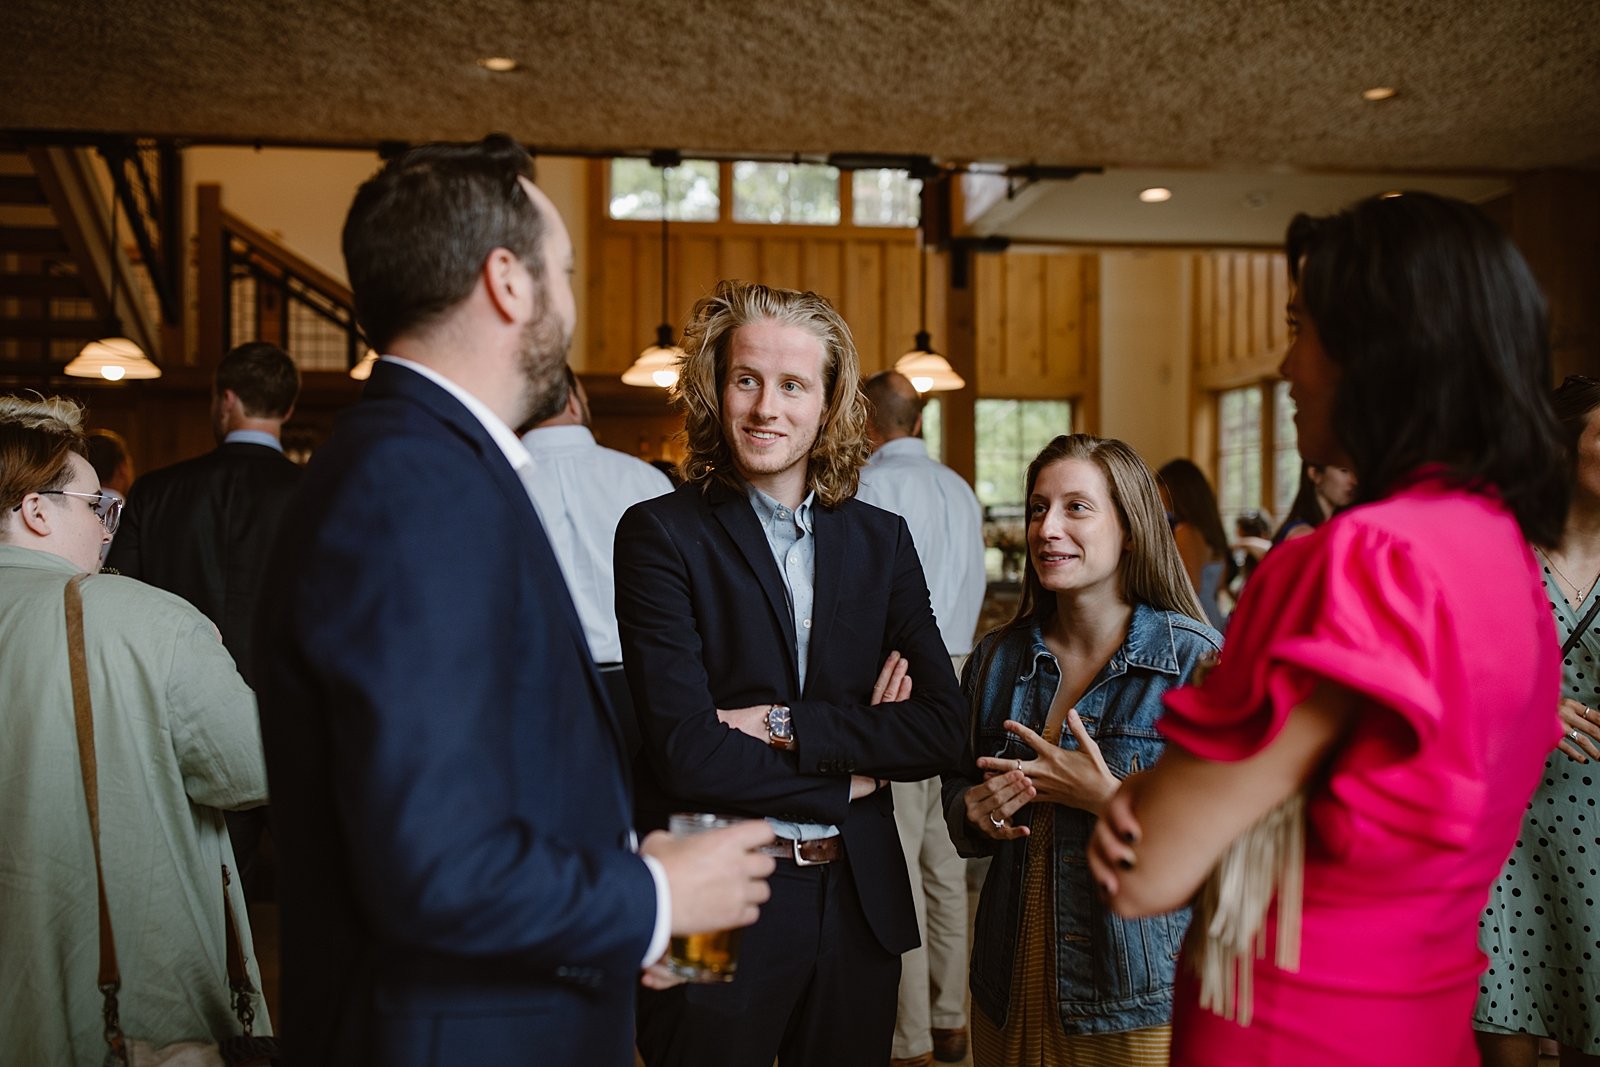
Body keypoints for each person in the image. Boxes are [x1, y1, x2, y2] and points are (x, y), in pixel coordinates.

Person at [254, 136, 775, 1067]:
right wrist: (652, 896)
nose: (570, 304)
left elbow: (477, 775)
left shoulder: (430, 463)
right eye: (564, 272)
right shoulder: (413, 487)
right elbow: (432, 863)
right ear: (508, 281)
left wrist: (621, 908)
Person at [1088, 192, 1570, 1067]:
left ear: (1381, 353)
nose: (1286, 365)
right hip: (1424, 1028)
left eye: (1299, 327)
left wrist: (1137, 794)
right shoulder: (1507, 554)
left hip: (1293, 1030)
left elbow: (1144, 868)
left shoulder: (1357, 561)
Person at [616, 280, 968, 1067]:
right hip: (708, 894)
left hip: (858, 902)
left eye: (792, 385)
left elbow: (945, 726)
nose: (766, 408)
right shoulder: (658, 532)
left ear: (830, 400)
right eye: (747, 379)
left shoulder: (882, 540)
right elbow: (685, 750)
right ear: (716, 386)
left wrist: (785, 725)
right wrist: (852, 775)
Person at [0, 395, 270, 1064]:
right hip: (116, 1011)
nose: (108, 531)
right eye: (100, 508)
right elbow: (257, 765)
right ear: (36, 510)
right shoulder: (149, 619)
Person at [943, 433, 1220, 1066]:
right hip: (1007, 982)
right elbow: (958, 800)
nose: (1047, 529)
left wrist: (1108, 800)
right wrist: (976, 812)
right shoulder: (997, 660)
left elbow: (1237, 846)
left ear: (1130, 528)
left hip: (1135, 990)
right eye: (1039, 508)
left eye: (1076, 508)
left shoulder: (1195, 662)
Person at [107, 340, 303, 892]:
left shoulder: (157, 491)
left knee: (199, 901)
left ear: (226, 400)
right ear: (287, 409)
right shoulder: (318, 496)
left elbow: (117, 596)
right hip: (293, 722)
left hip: (180, 721)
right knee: (315, 903)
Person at [857, 369, 986, 1067]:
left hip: (901, 674)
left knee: (897, 847)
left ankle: (907, 1035)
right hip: (963, 674)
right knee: (944, 852)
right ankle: (949, 1016)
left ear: (869, 422)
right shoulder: (959, 489)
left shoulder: (874, 487)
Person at [1475, 374, 1600, 1067]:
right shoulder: (1497, 555)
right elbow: (1442, 682)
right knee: (1505, 1041)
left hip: (1598, 835)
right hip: (1504, 837)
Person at [521, 363, 673, 758]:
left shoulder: (493, 482)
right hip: (639, 687)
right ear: (574, 401)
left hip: (534, 686)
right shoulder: (645, 480)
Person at [1157, 457, 1232, 629]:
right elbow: (1219, 583)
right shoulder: (1211, 531)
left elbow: (1189, 588)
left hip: (1195, 619)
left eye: (1160, 488)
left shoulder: (1186, 532)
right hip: (1213, 616)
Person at [1270, 461, 1356, 544]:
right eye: (1344, 470)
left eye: (1354, 471)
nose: (1353, 481)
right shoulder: (1302, 535)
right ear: (1314, 474)